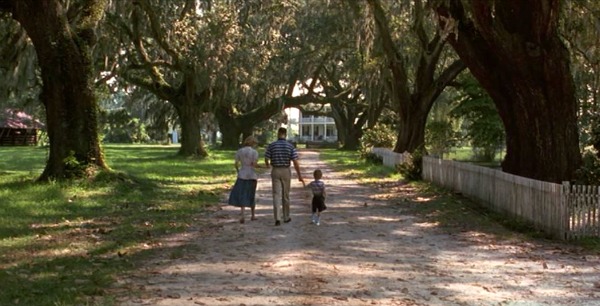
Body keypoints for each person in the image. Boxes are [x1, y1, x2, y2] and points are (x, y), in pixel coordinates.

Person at [264, 127, 304, 226]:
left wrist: (268, 165)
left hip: (276, 170)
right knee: (285, 195)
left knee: (276, 194)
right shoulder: (290, 146)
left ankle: (277, 217)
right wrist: (299, 175)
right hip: (286, 170)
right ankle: (286, 217)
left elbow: (266, 158)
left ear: (278, 133)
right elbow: (295, 161)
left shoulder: (272, 145)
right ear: (285, 134)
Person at [228, 136, 259, 224]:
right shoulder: (254, 152)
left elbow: (236, 163)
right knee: (251, 194)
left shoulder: (240, 151)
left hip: (242, 174)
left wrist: (238, 171)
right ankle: (253, 215)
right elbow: (254, 164)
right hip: (252, 175)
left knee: (242, 194)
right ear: (253, 143)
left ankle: (242, 214)